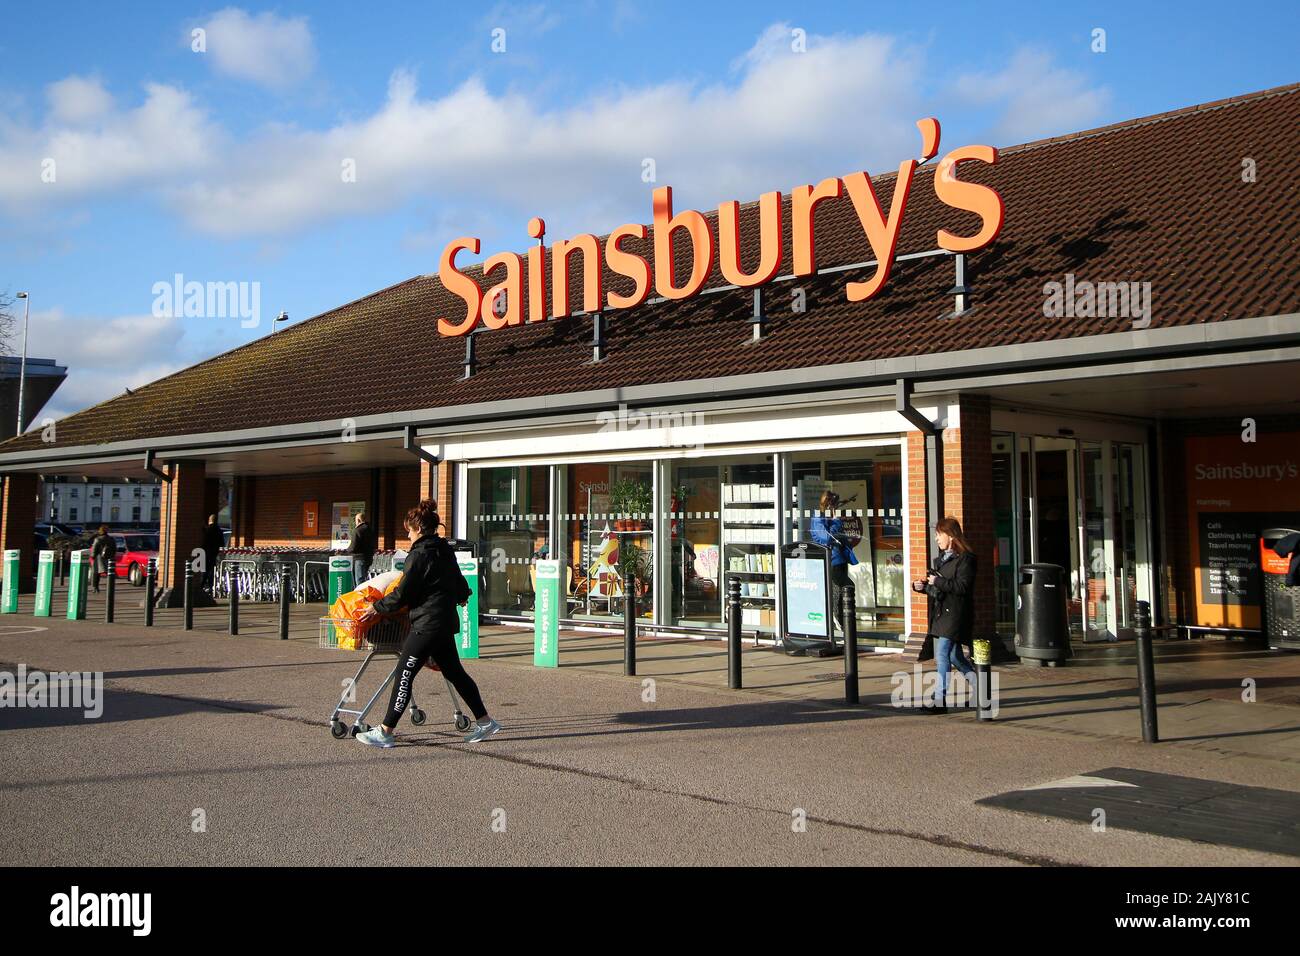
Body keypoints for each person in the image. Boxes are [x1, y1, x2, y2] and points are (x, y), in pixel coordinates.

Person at [354, 500, 500, 748]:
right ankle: (486, 722)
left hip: (427, 624)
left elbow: (403, 593)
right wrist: (462, 596)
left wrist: (375, 607)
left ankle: (386, 731)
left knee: (404, 675)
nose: (408, 536)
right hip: (443, 622)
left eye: (408, 531)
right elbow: (458, 581)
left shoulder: (418, 555)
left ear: (418, 530)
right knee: (455, 673)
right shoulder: (444, 549)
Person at [912, 517, 977, 714]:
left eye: (938, 534)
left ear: (950, 536)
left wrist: (937, 582)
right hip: (942, 614)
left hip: (956, 614)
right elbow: (939, 589)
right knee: (955, 657)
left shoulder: (966, 559)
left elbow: (962, 587)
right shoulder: (941, 560)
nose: (936, 539)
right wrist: (923, 587)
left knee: (941, 654)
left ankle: (939, 700)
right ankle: (982, 692)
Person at [809, 490, 859, 630]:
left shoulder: (828, 516)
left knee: (841, 591)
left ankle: (843, 622)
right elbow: (826, 537)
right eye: (834, 504)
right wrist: (836, 521)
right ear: (829, 504)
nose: (836, 508)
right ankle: (838, 619)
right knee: (844, 588)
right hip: (831, 560)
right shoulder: (818, 517)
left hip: (840, 559)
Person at [348, 512, 376, 586]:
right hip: (368, 557)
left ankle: (360, 596)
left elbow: (353, 546)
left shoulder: (358, 530)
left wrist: (345, 551)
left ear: (359, 520)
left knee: (359, 580)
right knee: (364, 579)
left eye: (355, 520)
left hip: (359, 558)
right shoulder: (370, 529)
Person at [201, 514, 224, 593]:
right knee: (211, 570)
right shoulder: (219, 530)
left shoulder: (207, 530)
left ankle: (202, 585)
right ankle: (210, 586)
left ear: (209, 520)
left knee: (204, 570)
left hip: (206, 553)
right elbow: (222, 543)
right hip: (214, 553)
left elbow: (203, 542)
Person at [90, 526, 116, 593]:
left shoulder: (97, 539)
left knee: (95, 573)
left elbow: (94, 551)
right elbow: (114, 549)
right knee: (110, 573)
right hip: (109, 558)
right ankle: (110, 587)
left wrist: (92, 556)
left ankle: (95, 587)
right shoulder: (111, 539)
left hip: (99, 559)